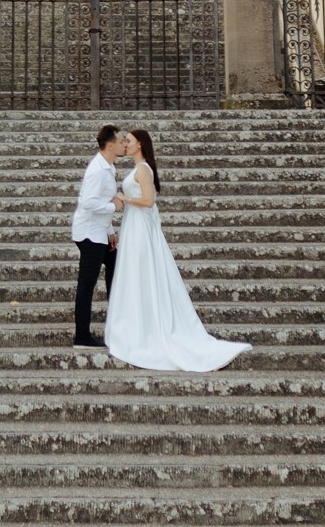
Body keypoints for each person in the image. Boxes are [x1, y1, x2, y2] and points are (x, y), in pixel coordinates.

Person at [104, 129, 250, 371]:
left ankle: (146, 329)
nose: (125, 145)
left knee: (142, 273)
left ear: (140, 144)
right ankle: (137, 325)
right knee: (135, 274)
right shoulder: (138, 169)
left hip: (140, 228)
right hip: (134, 226)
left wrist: (124, 199)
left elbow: (149, 202)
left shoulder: (143, 169)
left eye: (129, 141)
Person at [69, 125, 125, 348]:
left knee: (115, 270)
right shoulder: (98, 170)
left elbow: (101, 199)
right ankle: (81, 336)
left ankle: (116, 326)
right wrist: (114, 205)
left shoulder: (107, 166)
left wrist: (110, 231)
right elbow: (88, 203)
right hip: (89, 235)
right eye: (121, 141)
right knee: (87, 285)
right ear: (110, 145)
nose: (124, 144)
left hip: (100, 232)